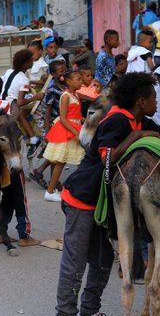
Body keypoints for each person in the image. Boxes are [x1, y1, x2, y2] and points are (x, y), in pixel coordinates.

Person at [55, 72, 160, 316]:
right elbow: (107, 159)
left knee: (102, 262)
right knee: (75, 262)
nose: (157, 103)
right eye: (153, 98)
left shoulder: (142, 121)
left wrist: (142, 133)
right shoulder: (116, 121)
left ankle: (90, 310)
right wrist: (135, 137)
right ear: (140, 102)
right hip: (82, 200)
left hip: (106, 205)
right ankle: (65, 312)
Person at [42, 70, 85, 202]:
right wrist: (76, 132)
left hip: (74, 128)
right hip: (67, 131)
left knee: (79, 160)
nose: (81, 81)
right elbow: (63, 118)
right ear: (69, 82)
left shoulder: (75, 95)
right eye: (78, 79)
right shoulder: (66, 96)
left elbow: (75, 115)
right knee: (61, 161)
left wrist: (85, 120)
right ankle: (50, 191)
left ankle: (80, 188)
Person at [29, 60, 67, 188]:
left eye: (65, 70)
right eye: (61, 72)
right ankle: (51, 180)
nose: (64, 73)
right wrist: (48, 130)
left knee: (57, 152)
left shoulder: (66, 85)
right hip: (50, 122)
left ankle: (43, 175)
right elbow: (47, 112)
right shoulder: (52, 89)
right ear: (53, 74)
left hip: (60, 122)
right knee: (57, 152)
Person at [1, 49, 44, 158]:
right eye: (31, 60)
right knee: (23, 113)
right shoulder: (24, 79)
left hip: (1, 104)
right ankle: (34, 138)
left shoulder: (9, 71)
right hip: (11, 108)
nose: (33, 61)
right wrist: (35, 97)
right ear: (25, 64)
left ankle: (32, 139)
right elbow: (20, 102)